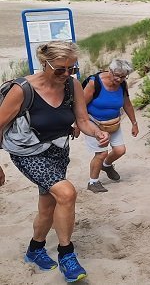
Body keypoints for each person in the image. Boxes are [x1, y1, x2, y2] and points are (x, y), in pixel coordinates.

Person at [0, 41, 109, 283]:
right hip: (28, 152)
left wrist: (96, 132)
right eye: (60, 69)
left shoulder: (71, 85)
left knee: (48, 206)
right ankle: (66, 255)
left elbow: (82, 120)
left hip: (59, 150)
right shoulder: (22, 89)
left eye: (72, 68)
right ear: (44, 64)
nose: (67, 74)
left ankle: (35, 249)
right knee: (67, 193)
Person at [79, 59, 139, 193]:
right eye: (117, 75)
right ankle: (93, 182)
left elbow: (127, 104)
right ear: (109, 70)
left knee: (120, 150)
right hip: (93, 122)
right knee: (101, 153)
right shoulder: (94, 82)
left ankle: (106, 165)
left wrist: (134, 123)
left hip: (113, 123)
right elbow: (81, 105)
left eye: (123, 76)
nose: (119, 79)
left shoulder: (122, 85)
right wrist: (78, 124)